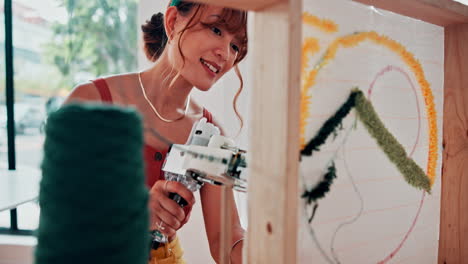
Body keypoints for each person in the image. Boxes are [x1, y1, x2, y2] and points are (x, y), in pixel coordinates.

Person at [64, 0, 248, 263]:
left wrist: (265, 244)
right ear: (173, 21)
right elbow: (57, 212)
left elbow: (226, 241)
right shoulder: (90, 101)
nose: (226, 54)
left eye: (236, 46)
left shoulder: (211, 132)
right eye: (217, 30)